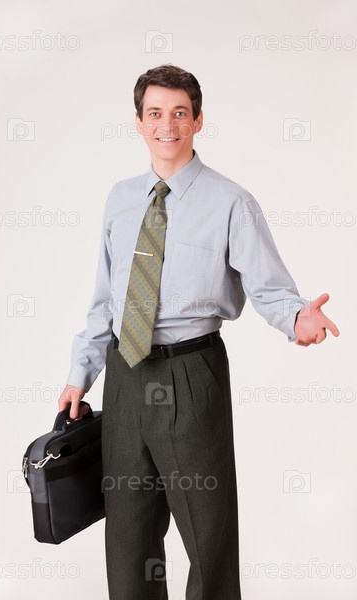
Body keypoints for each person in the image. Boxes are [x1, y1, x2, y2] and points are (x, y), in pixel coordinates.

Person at [58, 65, 339, 600]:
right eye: (155, 113)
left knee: (208, 537)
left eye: (179, 113)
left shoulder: (231, 201)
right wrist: (80, 374)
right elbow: (104, 301)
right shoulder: (120, 199)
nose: (167, 125)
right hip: (124, 375)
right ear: (139, 122)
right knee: (128, 537)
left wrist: (297, 318)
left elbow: (271, 289)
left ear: (198, 120)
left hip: (191, 375)